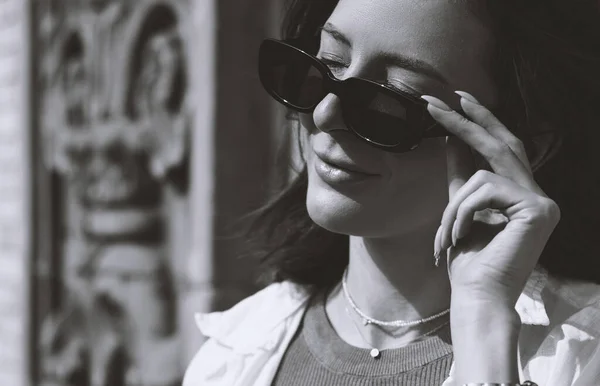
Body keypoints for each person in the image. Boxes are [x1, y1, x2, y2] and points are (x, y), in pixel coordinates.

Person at [183, 0, 600, 385]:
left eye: (391, 100)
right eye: (327, 63)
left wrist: (484, 322)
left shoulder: (583, 353)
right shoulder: (235, 353)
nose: (325, 114)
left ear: (523, 143)